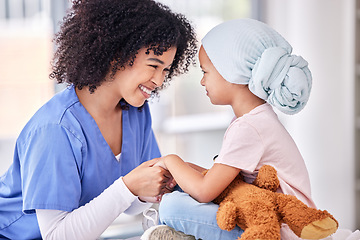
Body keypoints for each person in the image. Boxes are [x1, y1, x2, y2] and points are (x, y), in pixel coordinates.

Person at [0, 0, 197, 239]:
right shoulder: (56, 128)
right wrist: (128, 186)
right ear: (117, 54)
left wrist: (151, 188)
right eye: (153, 65)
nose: (159, 81)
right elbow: (57, 235)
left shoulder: (136, 112)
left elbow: (130, 204)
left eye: (166, 70)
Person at [142, 18, 315, 240]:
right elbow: (220, 179)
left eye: (205, 72)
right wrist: (180, 171)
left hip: (277, 230)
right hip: (263, 215)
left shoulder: (249, 127)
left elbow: (205, 191)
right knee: (181, 190)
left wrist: (170, 160)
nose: (202, 82)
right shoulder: (255, 118)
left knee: (172, 207)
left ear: (232, 71)